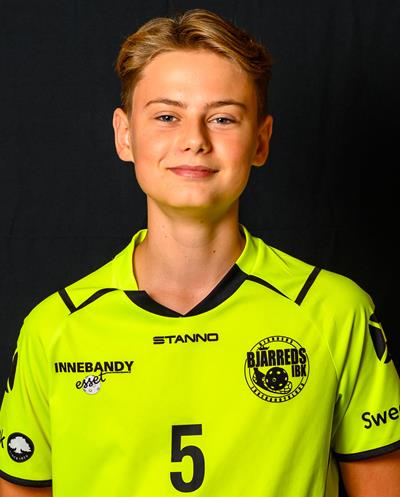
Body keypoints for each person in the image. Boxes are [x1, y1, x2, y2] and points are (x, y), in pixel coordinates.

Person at [0, 8, 399, 497]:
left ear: (260, 141)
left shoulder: (334, 312)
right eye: (167, 116)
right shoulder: (54, 329)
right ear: (125, 135)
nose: (194, 140)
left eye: (223, 118)